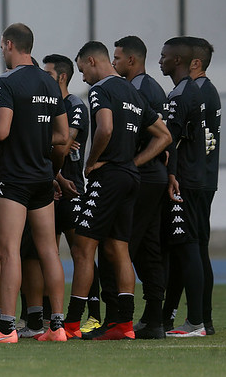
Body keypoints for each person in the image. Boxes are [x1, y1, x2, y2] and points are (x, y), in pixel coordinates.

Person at [63, 41, 170, 341]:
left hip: (109, 176)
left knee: (83, 248)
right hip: (131, 178)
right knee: (118, 248)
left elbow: (106, 128)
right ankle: (123, 324)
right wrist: (132, 163)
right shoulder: (134, 92)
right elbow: (164, 135)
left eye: (82, 70)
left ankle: (71, 324)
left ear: (92, 61)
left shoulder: (101, 90)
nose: (83, 77)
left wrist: (91, 161)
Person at [0, 23, 69, 344]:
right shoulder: (49, 81)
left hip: (14, 178)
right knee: (49, 251)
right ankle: (57, 327)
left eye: (2, 46)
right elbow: (62, 135)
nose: (2, 51)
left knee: (8, 251)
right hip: (42, 177)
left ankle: (5, 329)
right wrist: (36, 137)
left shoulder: (6, 81)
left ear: (10, 44)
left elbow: (1, 130)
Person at [110, 35, 170, 339]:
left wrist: (133, 163)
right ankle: (153, 319)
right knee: (148, 249)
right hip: (154, 176)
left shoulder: (138, 90)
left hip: (144, 177)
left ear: (131, 60)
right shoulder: (152, 87)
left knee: (121, 245)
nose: (113, 63)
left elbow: (163, 136)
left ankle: (118, 319)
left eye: (117, 58)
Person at [39, 54, 94, 335]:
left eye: (48, 74)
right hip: (49, 186)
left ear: (61, 77)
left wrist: (43, 141)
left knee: (80, 251)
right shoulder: (46, 105)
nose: (43, 78)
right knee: (47, 253)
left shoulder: (74, 105)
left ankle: (92, 315)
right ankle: (49, 318)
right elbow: (56, 144)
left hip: (71, 189)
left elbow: (62, 144)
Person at [159, 37, 208, 338]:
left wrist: (171, 174)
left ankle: (196, 322)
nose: (160, 61)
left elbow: (169, 140)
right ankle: (183, 319)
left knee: (188, 248)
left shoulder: (180, 95)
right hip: (197, 178)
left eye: (164, 56)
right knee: (187, 248)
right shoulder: (193, 91)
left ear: (177, 60)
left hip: (184, 181)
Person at [189, 37, 220, 335]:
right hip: (206, 180)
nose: (164, 61)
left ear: (195, 62)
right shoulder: (208, 91)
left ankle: (200, 319)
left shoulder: (198, 92)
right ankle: (203, 319)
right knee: (198, 248)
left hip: (197, 182)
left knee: (195, 249)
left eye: (173, 57)